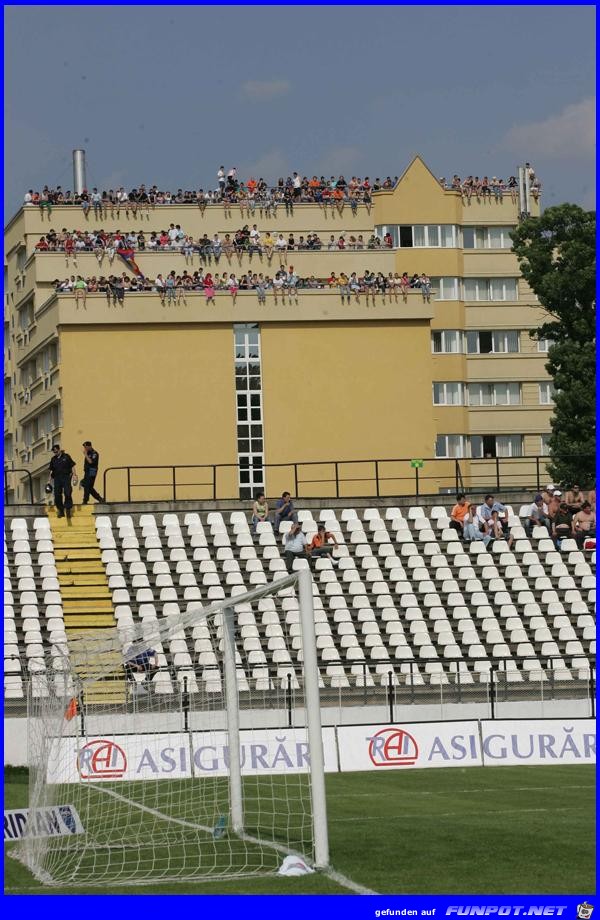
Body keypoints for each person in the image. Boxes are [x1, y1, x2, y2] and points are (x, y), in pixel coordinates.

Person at [48, 444, 76, 519]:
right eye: (54, 452)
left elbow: (72, 466)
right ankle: (61, 510)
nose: (55, 453)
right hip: (57, 478)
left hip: (66, 477)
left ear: (59, 450)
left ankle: (68, 509)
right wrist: (49, 481)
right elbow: (51, 471)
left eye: (56, 451)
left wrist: (75, 475)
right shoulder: (53, 459)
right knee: (57, 495)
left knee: (68, 492)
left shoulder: (66, 456)